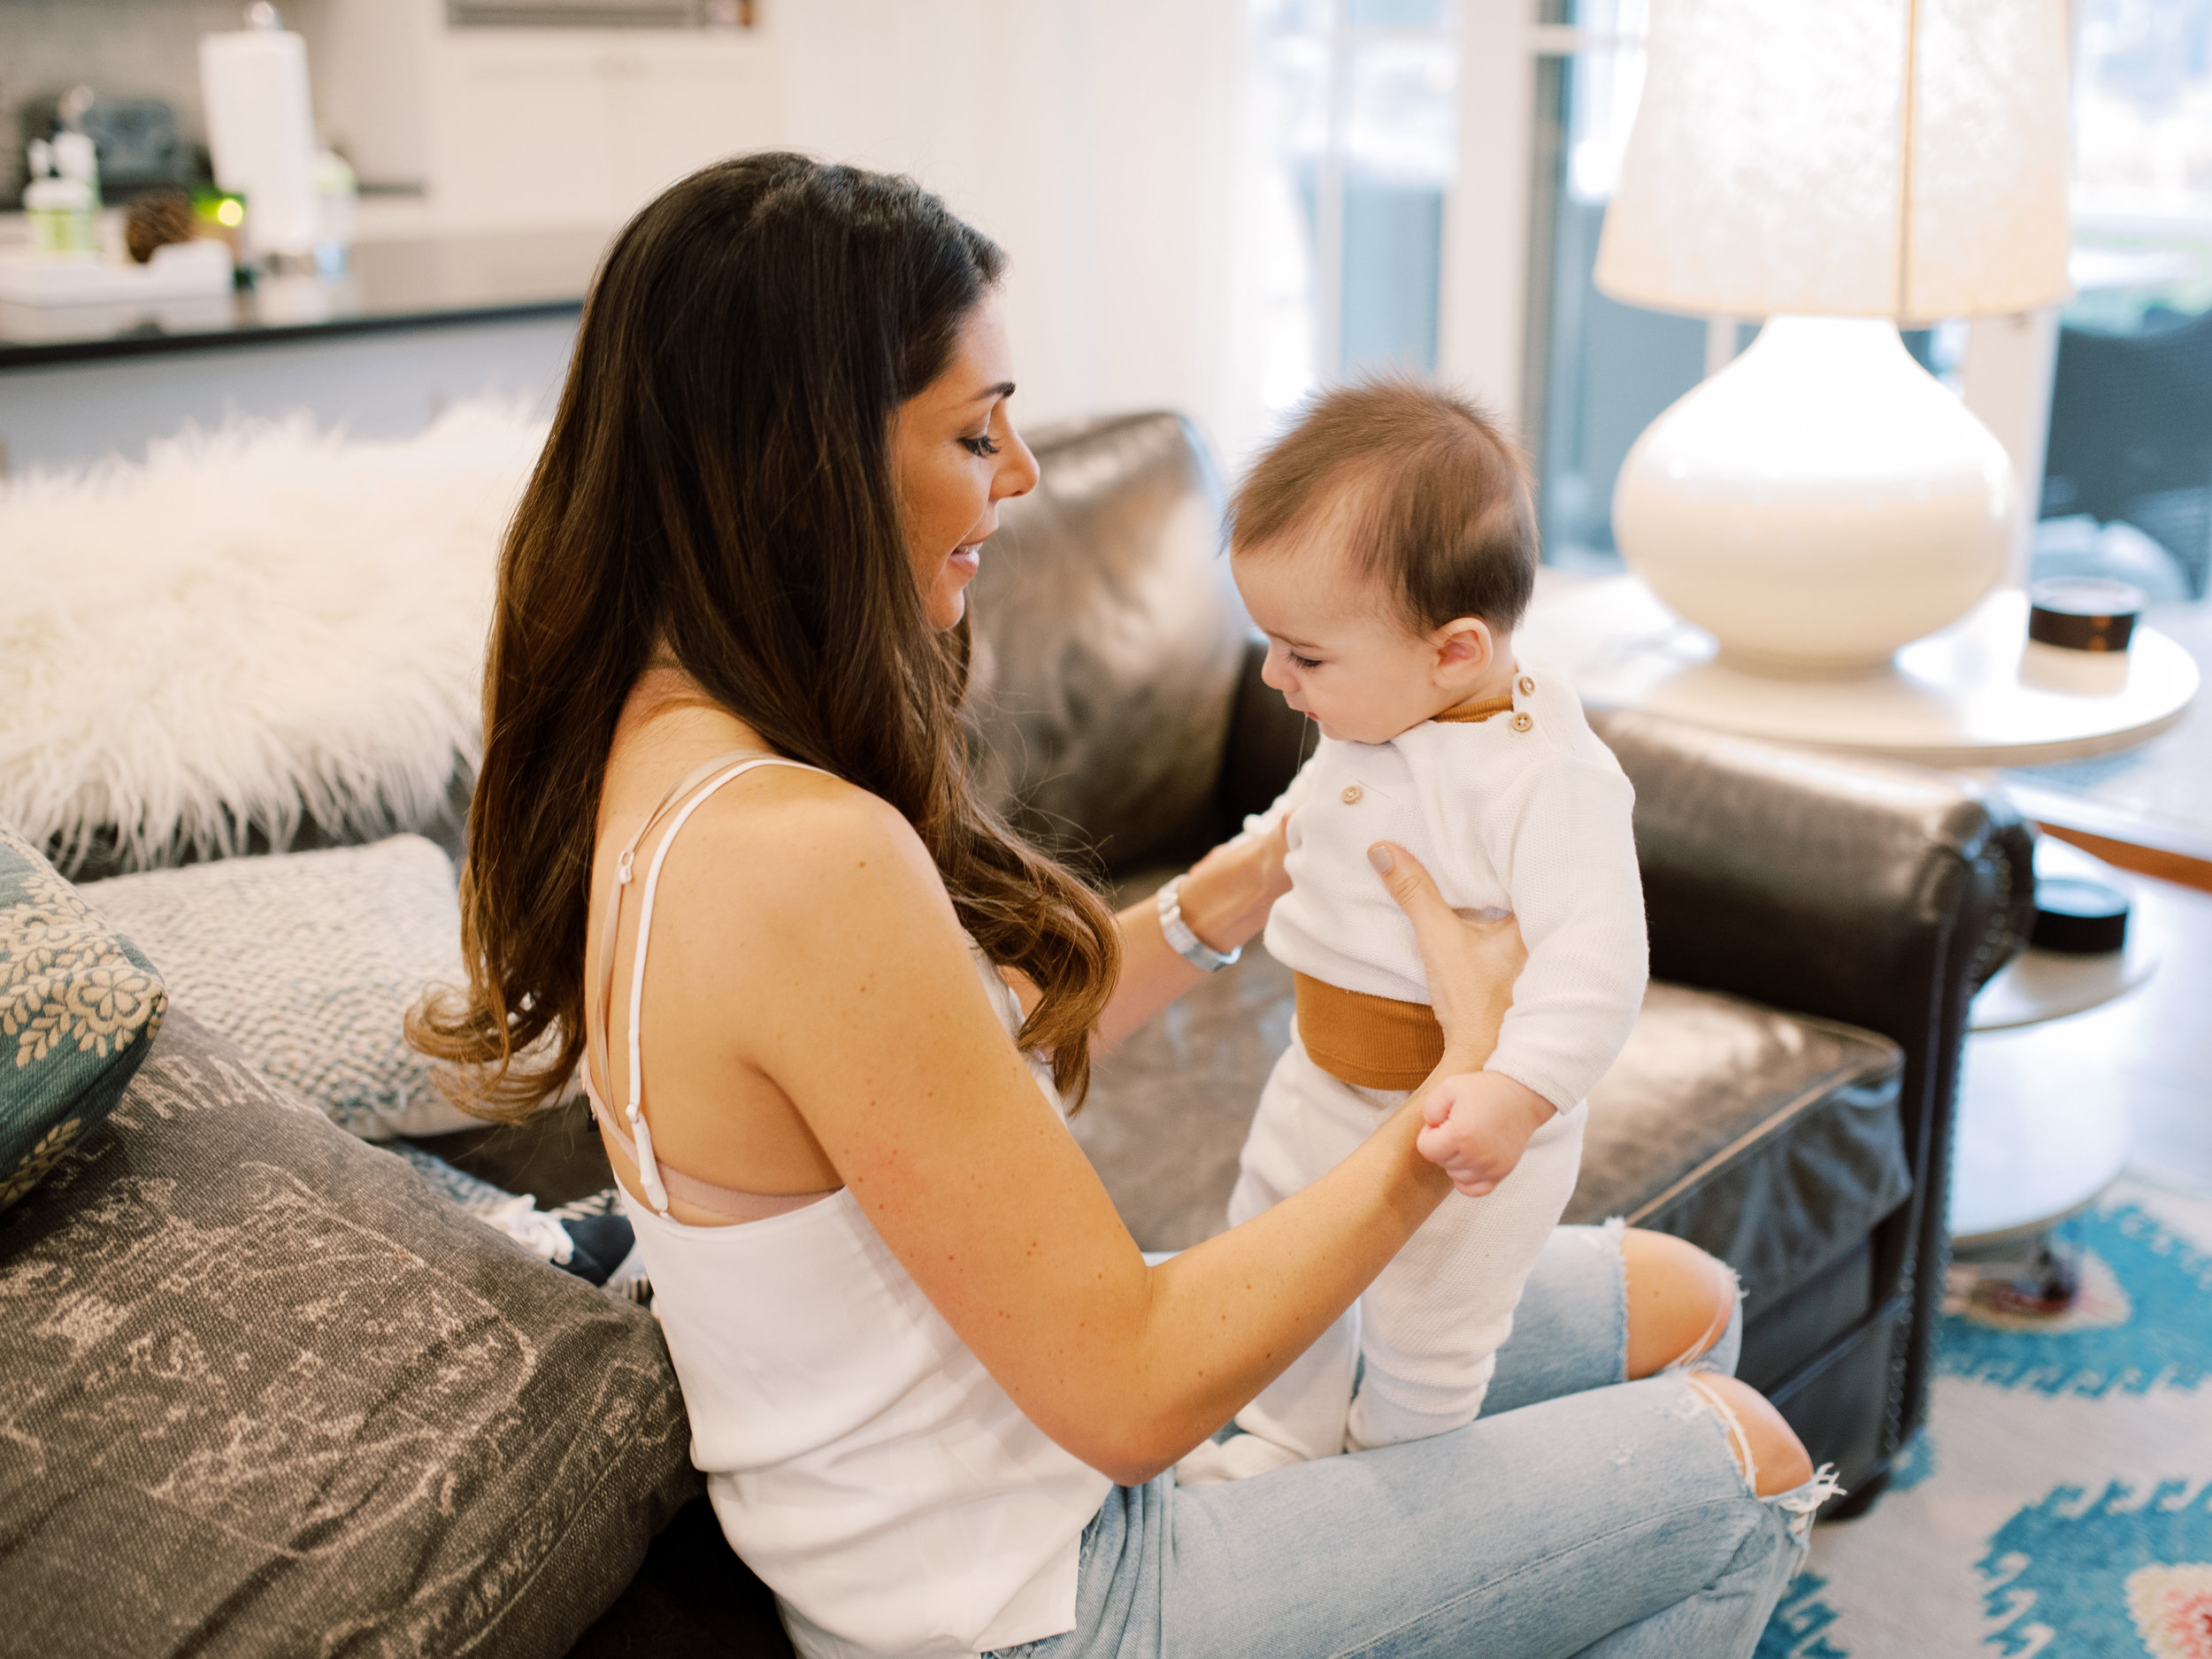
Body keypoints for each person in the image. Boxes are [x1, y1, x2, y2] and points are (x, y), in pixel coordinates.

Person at [412, 151, 1836, 1659]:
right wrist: (1460, 1105)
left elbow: (914, 1068)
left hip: (982, 1466)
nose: (1021, 474)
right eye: (976, 431)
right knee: (1746, 1461)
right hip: (1042, 1598)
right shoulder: (799, 855)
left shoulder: (654, 755)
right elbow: (1134, 1393)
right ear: (805, 461)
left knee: (1679, 1300)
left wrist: (1209, 915)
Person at [1178, 378, 1647, 1485]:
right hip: (1318, 1075)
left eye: (1303, 656)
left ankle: (1403, 1468)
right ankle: (1282, 1440)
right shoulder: (1380, 707)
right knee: (1270, 1267)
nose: (1272, 677)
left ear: (1452, 651)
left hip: (1463, 1117)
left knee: (1427, 1329)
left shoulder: (1550, 780)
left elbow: (1596, 965)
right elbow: (1314, 818)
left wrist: (1514, 1092)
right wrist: (1250, 861)